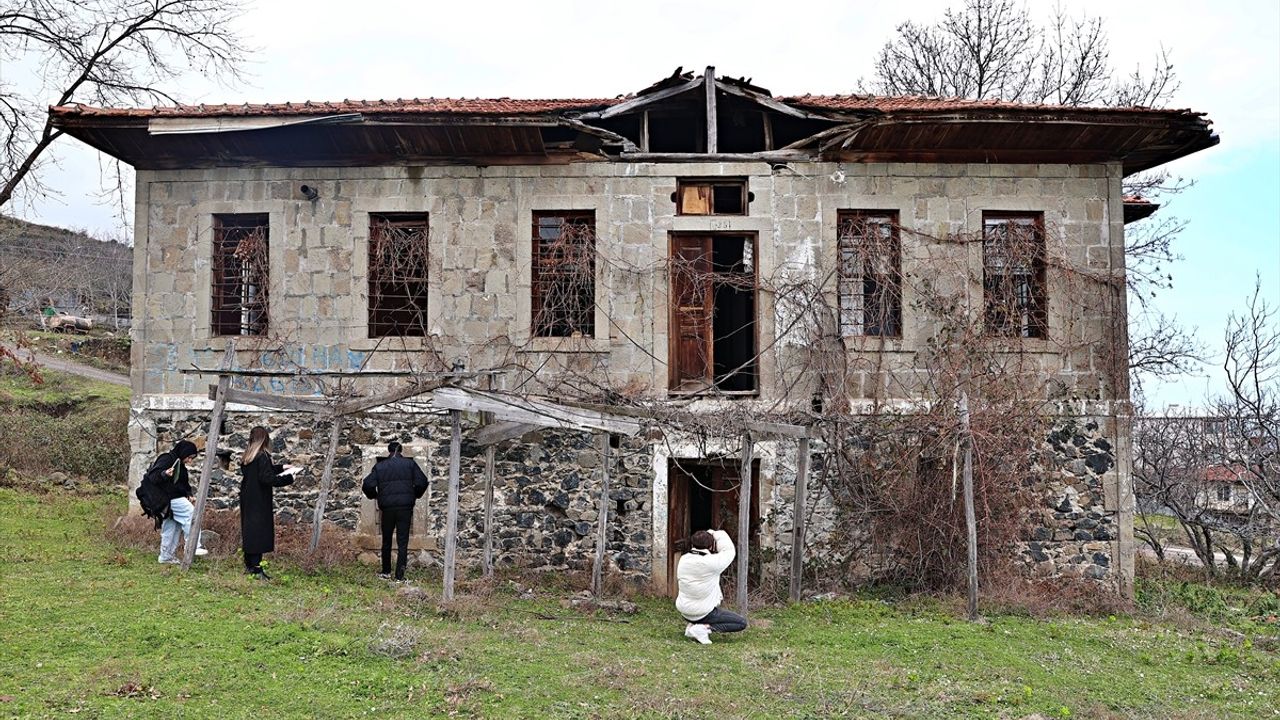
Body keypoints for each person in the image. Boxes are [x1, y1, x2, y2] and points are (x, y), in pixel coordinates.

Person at [361, 441, 429, 581]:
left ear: (389, 451)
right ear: (401, 451)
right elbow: (422, 481)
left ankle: (386, 572)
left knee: (386, 540)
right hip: (405, 508)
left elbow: (367, 484)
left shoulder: (380, 466)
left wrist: (374, 495)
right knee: (402, 542)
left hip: (387, 509)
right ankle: (400, 576)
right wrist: (415, 494)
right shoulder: (410, 465)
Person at [239, 426, 297, 579]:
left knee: (250, 531)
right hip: (259, 500)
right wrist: (289, 478)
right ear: (265, 439)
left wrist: (282, 467)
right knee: (258, 533)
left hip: (248, 498)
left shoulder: (248, 456)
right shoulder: (262, 456)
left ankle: (250, 566)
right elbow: (267, 478)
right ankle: (257, 570)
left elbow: (265, 471)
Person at [675, 528, 747, 644]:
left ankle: (693, 626)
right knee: (740, 623)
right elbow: (729, 551)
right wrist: (716, 533)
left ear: (692, 544)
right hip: (703, 613)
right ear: (711, 546)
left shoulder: (684, 559)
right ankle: (703, 628)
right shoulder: (712, 563)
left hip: (684, 611)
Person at [146, 440, 207, 564]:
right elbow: (153, 477)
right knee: (190, 513)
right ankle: (193, 545)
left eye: (192, 458)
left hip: (171, 499)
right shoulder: (166, 459)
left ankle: (166, 556)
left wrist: (188, 494)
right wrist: (164, 474)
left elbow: (182, 484)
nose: (190, 461)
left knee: (172, 526)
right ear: (183, 452)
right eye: (189, 457)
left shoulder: (180, 465)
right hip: (164, 498)